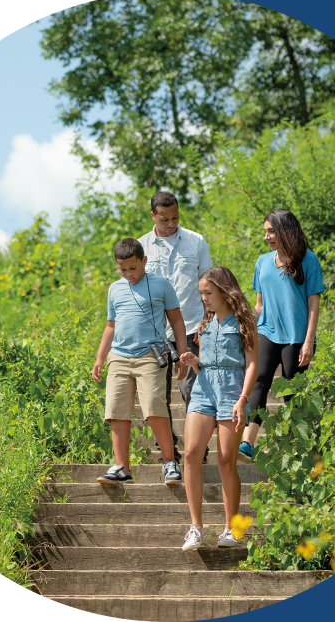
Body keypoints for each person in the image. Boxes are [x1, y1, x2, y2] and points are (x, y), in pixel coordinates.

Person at [92, 238, 188, 485]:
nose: (128, 274)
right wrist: (100, 356)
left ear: (144, 261)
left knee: (154, 407)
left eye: (133, 268)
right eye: (122, 269)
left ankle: (169, 462)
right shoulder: (115, 288)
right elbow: (110, 325)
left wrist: (183, 354)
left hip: (150, 356)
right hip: (119, 357)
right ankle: (122, 467)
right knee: (116, 411)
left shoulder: (161, 285)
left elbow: (177, 321)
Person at [178, 266, 258, 551]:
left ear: (225, 291)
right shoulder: (205, 324)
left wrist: (243, 399)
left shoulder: (242, 322)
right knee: (190, 453)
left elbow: (251, 364)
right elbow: (205, 368)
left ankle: (231, 529)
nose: (204, 299)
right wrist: (193, 361)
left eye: (208, 293)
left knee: (225, 460)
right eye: (202, 293)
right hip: (203, 390)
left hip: (231, 391)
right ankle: (196, 527)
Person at [237, 209, 324, 463]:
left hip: (296, 337)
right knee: (259, 380)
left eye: (271, 231)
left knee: (290, 390)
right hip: (267, 331)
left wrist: (309, 341)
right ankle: (247, 442)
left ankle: (299, 445)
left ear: (286, 230)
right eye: (265, 231)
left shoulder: (309, 261)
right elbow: (260, 305)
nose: (266, 236)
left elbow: (313, 305)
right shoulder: (263, 262)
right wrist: (245, 326)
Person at [139, 191, 213, 464]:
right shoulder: (141, 246)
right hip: (155, 333)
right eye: (164, 218)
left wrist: (207, 327)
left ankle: (199, 450)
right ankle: (168, 451)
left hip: (192, 326)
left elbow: (209, 287)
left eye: (175, 217)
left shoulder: (196, 242)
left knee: (192, 390)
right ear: (153, 216)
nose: (171, 223)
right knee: (157, 395)